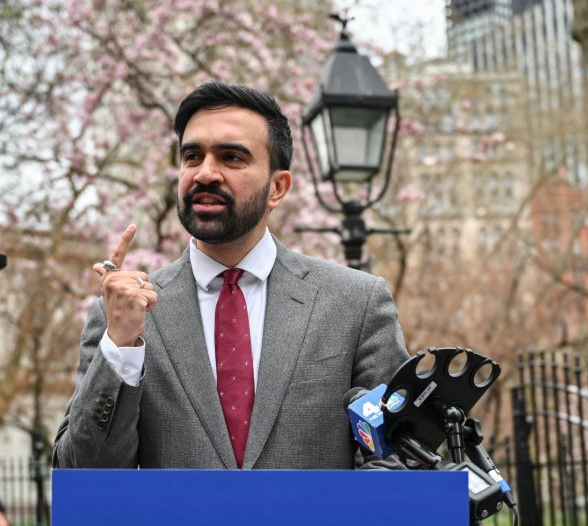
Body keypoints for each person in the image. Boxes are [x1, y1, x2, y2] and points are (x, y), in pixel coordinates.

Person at [54, 81, 409, 470]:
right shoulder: (121, 317)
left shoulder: (355, 304)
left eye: (231, 158)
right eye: (192, 156)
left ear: (278, 187)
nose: (205, 174)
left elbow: (402, 458)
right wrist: (120, 347)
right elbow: (82, 474)